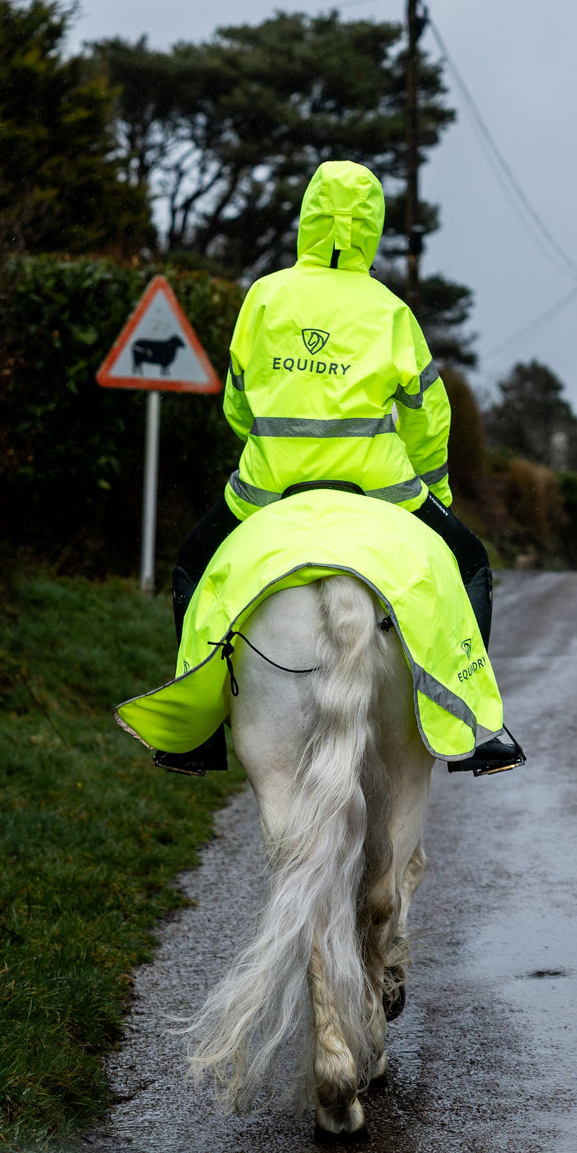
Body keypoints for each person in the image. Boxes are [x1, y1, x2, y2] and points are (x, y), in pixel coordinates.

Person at [157, 159, 519, 775]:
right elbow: (429, 416)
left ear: (307, 220)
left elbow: (238, 403)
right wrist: (434, 489)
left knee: (192, 568)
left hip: (267, 492)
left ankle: (195, 734)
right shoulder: (390, 311)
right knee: (472, 563)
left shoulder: (264, 297)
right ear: (372, 229)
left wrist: (277, 442)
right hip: (383, 492)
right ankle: (476, 723)